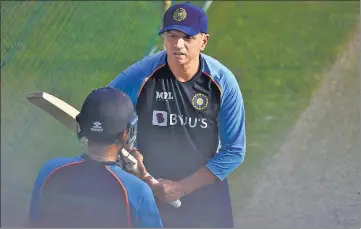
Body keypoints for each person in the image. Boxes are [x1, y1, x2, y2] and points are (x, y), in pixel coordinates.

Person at [108, 2, 246, 228]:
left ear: (204, 41)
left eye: (187, 38)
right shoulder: (141, 75)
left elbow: (234, 151)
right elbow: (106, 109)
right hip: (151, 190)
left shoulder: (222, 82)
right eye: (171, 36)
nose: (178, 45)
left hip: (206, 192)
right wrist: (130, 150)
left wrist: (180, 187)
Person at [26, 87, 163, 228]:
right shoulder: (138, 191)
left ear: (82, 126)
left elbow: (33, 224)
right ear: (125, 133)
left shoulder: (49, 171)